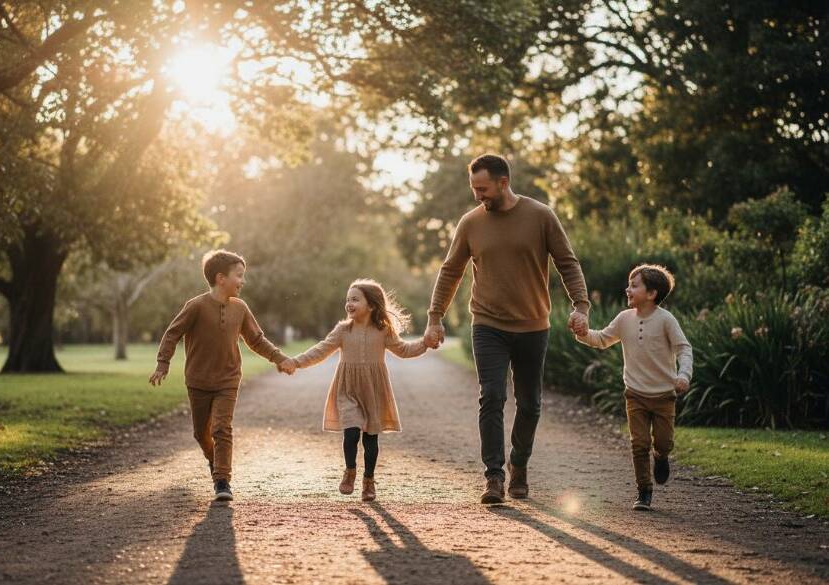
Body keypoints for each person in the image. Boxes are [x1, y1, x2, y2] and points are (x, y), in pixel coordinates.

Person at [423, 153, 591, 504]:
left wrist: (581, 306)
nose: (477, 195)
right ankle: (494, 477)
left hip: (533, 326)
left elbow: (567, 263)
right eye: (473, 188)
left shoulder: (541, 216)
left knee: (530, 404)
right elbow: (450, 271)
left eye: (482, 188)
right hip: (488, 324)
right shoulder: (470, 223)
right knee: (492, 396)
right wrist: (435, 317)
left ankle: (520, 464)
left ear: (503, 182)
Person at [150, 250, 287, 501]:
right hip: (198, 381)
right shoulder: (196, 306)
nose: (242, 281)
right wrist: (163, 363)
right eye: (239, 276)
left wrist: (280, 358)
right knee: (201, 433)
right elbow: (172, 334)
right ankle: (215, 463)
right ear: (221, 278)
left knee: (222, 428)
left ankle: (222, 481)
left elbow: (256, 340)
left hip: (228, 379)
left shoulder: (241, 308)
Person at [279, 279, 428, 502]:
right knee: (350, 433)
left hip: (374, 390)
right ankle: (350, 472)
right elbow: (321, 350)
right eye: (348, 299)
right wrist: (296, 362)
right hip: (347, 389)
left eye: (355, 299)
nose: (349, 303)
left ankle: (368, 481)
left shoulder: (383, 331)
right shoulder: (343, 330)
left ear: (371, 305)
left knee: (370, 440)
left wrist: (426, 342)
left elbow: (405, 350)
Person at [575, 263, 693, 511]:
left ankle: (661, 457)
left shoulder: (665, 320)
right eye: (629, 284)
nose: (627, 289)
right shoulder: (624, 319)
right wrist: (583, 332)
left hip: (663, 396)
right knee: (639, 444)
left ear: (651, 294)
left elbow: (684, 348)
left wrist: (683, 374)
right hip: (635, 395)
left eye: (634, 285)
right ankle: (644, 491)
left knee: (663, 442)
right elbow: (602, 339)